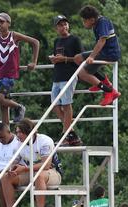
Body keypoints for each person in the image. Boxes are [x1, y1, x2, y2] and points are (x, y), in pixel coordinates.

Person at [0, 12, 40, 125]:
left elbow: (35, 42)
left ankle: (19, 107)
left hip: (9, 74)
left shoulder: (14, 35)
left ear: (8, 23)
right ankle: (7, 132)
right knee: (3, 105)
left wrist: (33, 62)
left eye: (2, 22)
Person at [1, 119, 62, 207]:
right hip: (31, 172)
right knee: (6, 177)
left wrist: (24, 169)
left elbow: (46, 165)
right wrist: (12, 169)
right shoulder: (18, 144)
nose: (18, 135)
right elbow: (14, 161)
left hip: (52, 172)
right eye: (16, 132)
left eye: (20, 132)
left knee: (39, 176)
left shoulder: (44, 141)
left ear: (30, 132)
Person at [73, 5, 121, 106]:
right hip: (103, 51)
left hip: (109, 53)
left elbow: (102, 40)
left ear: (92, 19)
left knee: (82, 73)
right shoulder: (97, 23)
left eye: (84, 21)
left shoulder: (102, 22)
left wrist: (92, 56)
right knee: (78, 58)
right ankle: (103, 83)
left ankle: (109, 91)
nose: (83, 23)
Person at [49, 15, 84, 146]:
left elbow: (81, 58)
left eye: (65, 24)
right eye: (60, 25)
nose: (63, 27)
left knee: (66, 104)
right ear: (56, 28)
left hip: (69, 75)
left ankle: (66, 134)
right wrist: (55, 59)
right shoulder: (56, 41)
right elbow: (58, 57)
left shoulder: (75, 39)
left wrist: (64, 59)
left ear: (68, 25)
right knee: (54, 105)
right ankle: (72, 133)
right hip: (57, 76)